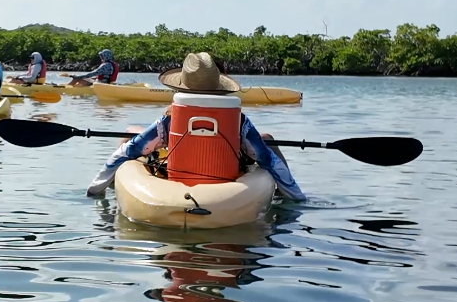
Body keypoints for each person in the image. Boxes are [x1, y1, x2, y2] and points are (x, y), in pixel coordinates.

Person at [87, 52, 303, 200]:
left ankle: (115, 187)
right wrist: (298, 197)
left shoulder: (172, 118)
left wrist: (95, 188)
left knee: (130, 136)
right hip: (226, 177)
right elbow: (265, 157)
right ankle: (284, 196)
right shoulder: (239, 121)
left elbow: (132, 149)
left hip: (178, 174)